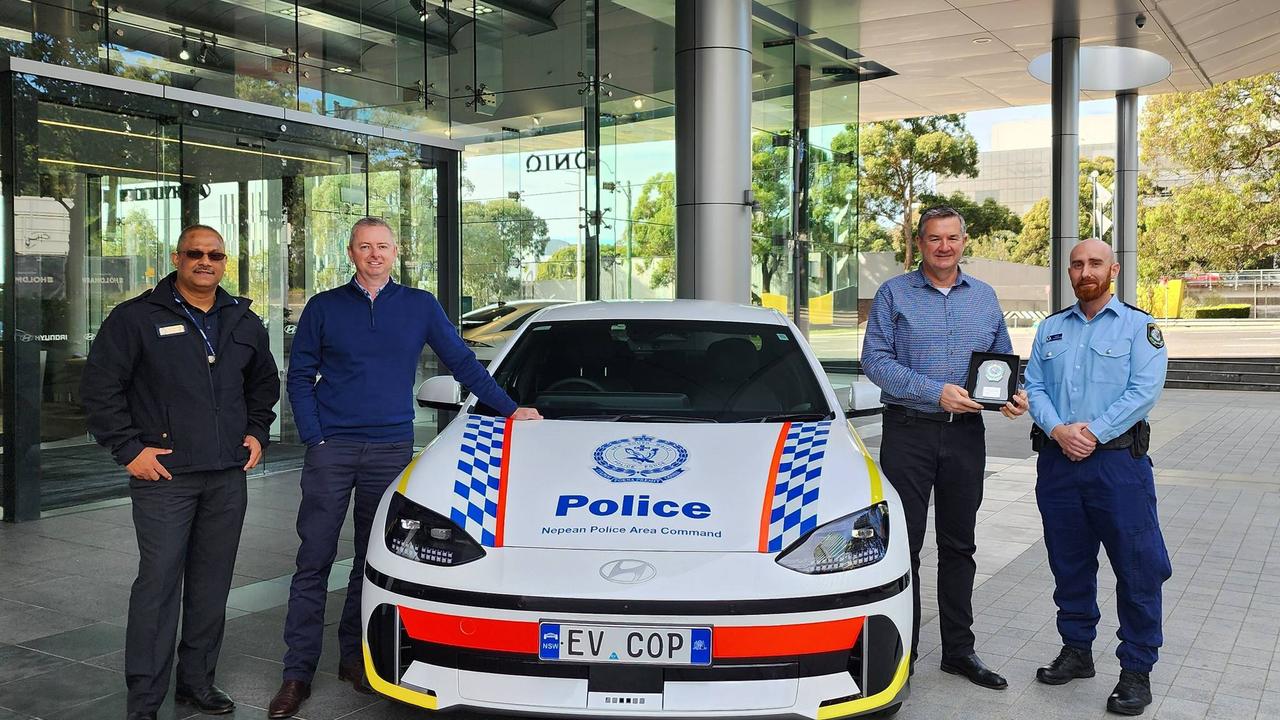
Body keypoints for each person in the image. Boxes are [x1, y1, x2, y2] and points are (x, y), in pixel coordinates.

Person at [268, 217, 542, 719]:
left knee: (368, 560)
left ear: (396, 253)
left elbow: (462, 362)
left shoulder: (419, 306)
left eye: (383, 247)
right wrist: (315, 435)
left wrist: (509, 408)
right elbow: (300, 373)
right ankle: (296, 672)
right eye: (365, 247)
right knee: (314, 559)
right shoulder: (325, 307)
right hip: (333, 448)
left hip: (390, 448)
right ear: (350, 252)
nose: (375, 254)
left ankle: (353, 658)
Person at [81, 225, 280, 720]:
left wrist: (257, 431)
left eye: (214, 254)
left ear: (225, 262)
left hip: (226, 476)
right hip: (163, 478)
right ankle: (145, 700)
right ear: (178, 257)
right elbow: (100, 389)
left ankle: (196, 683)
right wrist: (129, 450)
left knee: (212, 585)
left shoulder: (242, 320)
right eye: (195, 253)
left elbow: (264, 384)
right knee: (159, 584)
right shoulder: (136, 318)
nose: (204, 261)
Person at [861, 206, 1028, 690]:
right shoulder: (894, 294)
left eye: (952, 238)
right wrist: (933, 391)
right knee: (904, 547)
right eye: (934, 238)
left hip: (965, 436)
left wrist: (1013, 395)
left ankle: (959, 651)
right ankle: (903, 655)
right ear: (919, 243)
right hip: (908, 431)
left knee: (960, 546)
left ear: (964, 240)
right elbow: (875, 361)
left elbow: (1000, 362)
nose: (944, 247)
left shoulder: (985, 298)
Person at [1023, 238, 1171, 716]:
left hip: (1117, 467)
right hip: (1058, 466)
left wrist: (1090, 433)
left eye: (1095, 263)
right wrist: (1059, 430)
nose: (1085, 271)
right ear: (1069, 272)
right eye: (1077, 264)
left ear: (1115, 269)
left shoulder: (1139, 326)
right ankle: (1077, 650)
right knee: (1069, 564)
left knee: (1137, 568)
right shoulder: (1050, 329)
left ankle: (1136, 670)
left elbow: (1143, 391)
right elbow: (1035, 386)